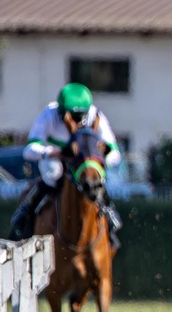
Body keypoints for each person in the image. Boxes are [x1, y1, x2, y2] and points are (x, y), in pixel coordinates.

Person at [9, 83, 124, 245]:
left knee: (95, 179)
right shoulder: (49, 115)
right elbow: (29, 149)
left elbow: (114, 153)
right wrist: (51, 152)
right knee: (52, 175)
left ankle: (109, 215)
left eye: (79, 117)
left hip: (82, 163)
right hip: (57, 158)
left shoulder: (95, 115)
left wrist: (100, 158)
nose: (75, 122)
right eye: (70, 116)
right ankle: (25, 213)